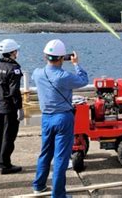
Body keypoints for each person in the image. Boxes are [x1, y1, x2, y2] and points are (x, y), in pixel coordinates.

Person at [32, 39, 88, 197]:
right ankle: (58, 194)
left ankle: (39, 185)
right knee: (61, 158)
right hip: (63, 118)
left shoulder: (37, 73)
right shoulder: (64, 76)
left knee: (45, 152)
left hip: (46, 118)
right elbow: (84, 80)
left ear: (45, 56)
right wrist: (76, 64)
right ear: (62, 58)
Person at [0, 39, 24, 174]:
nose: (17, 53)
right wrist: (19, 108)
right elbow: (14, 91)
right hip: (9, 107)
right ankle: (5, 164)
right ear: (12, 52)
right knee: (9, 135)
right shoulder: (14, 69)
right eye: (16, 51)